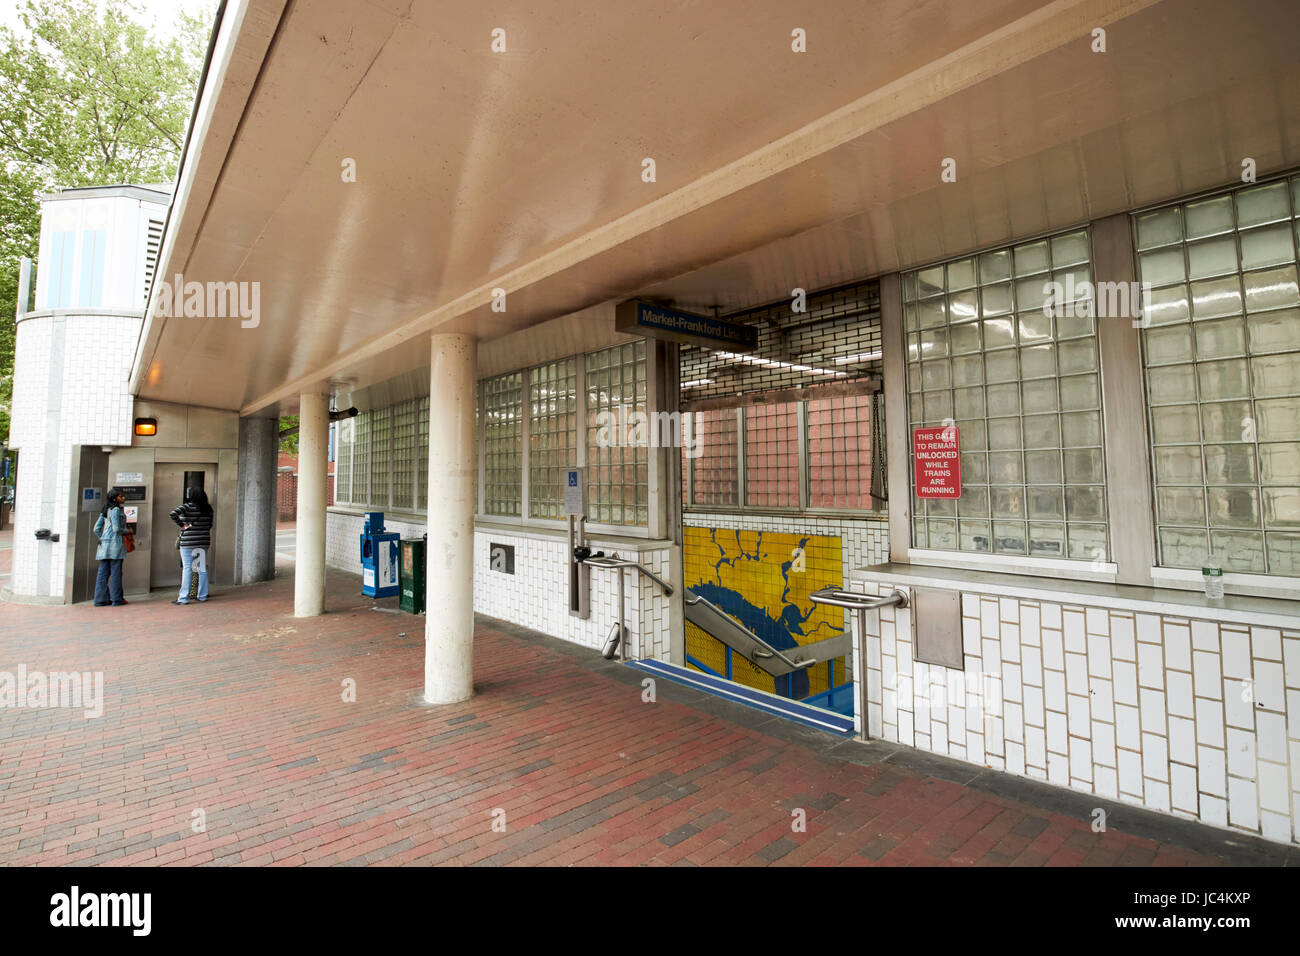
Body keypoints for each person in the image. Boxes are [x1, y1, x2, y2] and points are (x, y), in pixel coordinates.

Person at [169, 486, 214, 604]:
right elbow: (210, 525)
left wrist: (182, 525)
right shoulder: (208, 509)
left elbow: (173, 514)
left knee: (188, 568)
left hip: (188, 542)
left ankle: (183, 598)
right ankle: (202, 596)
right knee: (201, 568)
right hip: (203, 541)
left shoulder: (187, 506)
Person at [93, 488, 128, 606]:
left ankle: (100, 600)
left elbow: (96, 529)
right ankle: (117, 599)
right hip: (115, 545)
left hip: (104, 545)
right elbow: (116, 528)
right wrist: (127, 531)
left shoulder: (105, 509)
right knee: (116, 573)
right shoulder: (116, 509)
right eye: (121, 496)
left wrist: (103, 538)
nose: (124, 498)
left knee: (102, 573)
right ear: (114, 498)